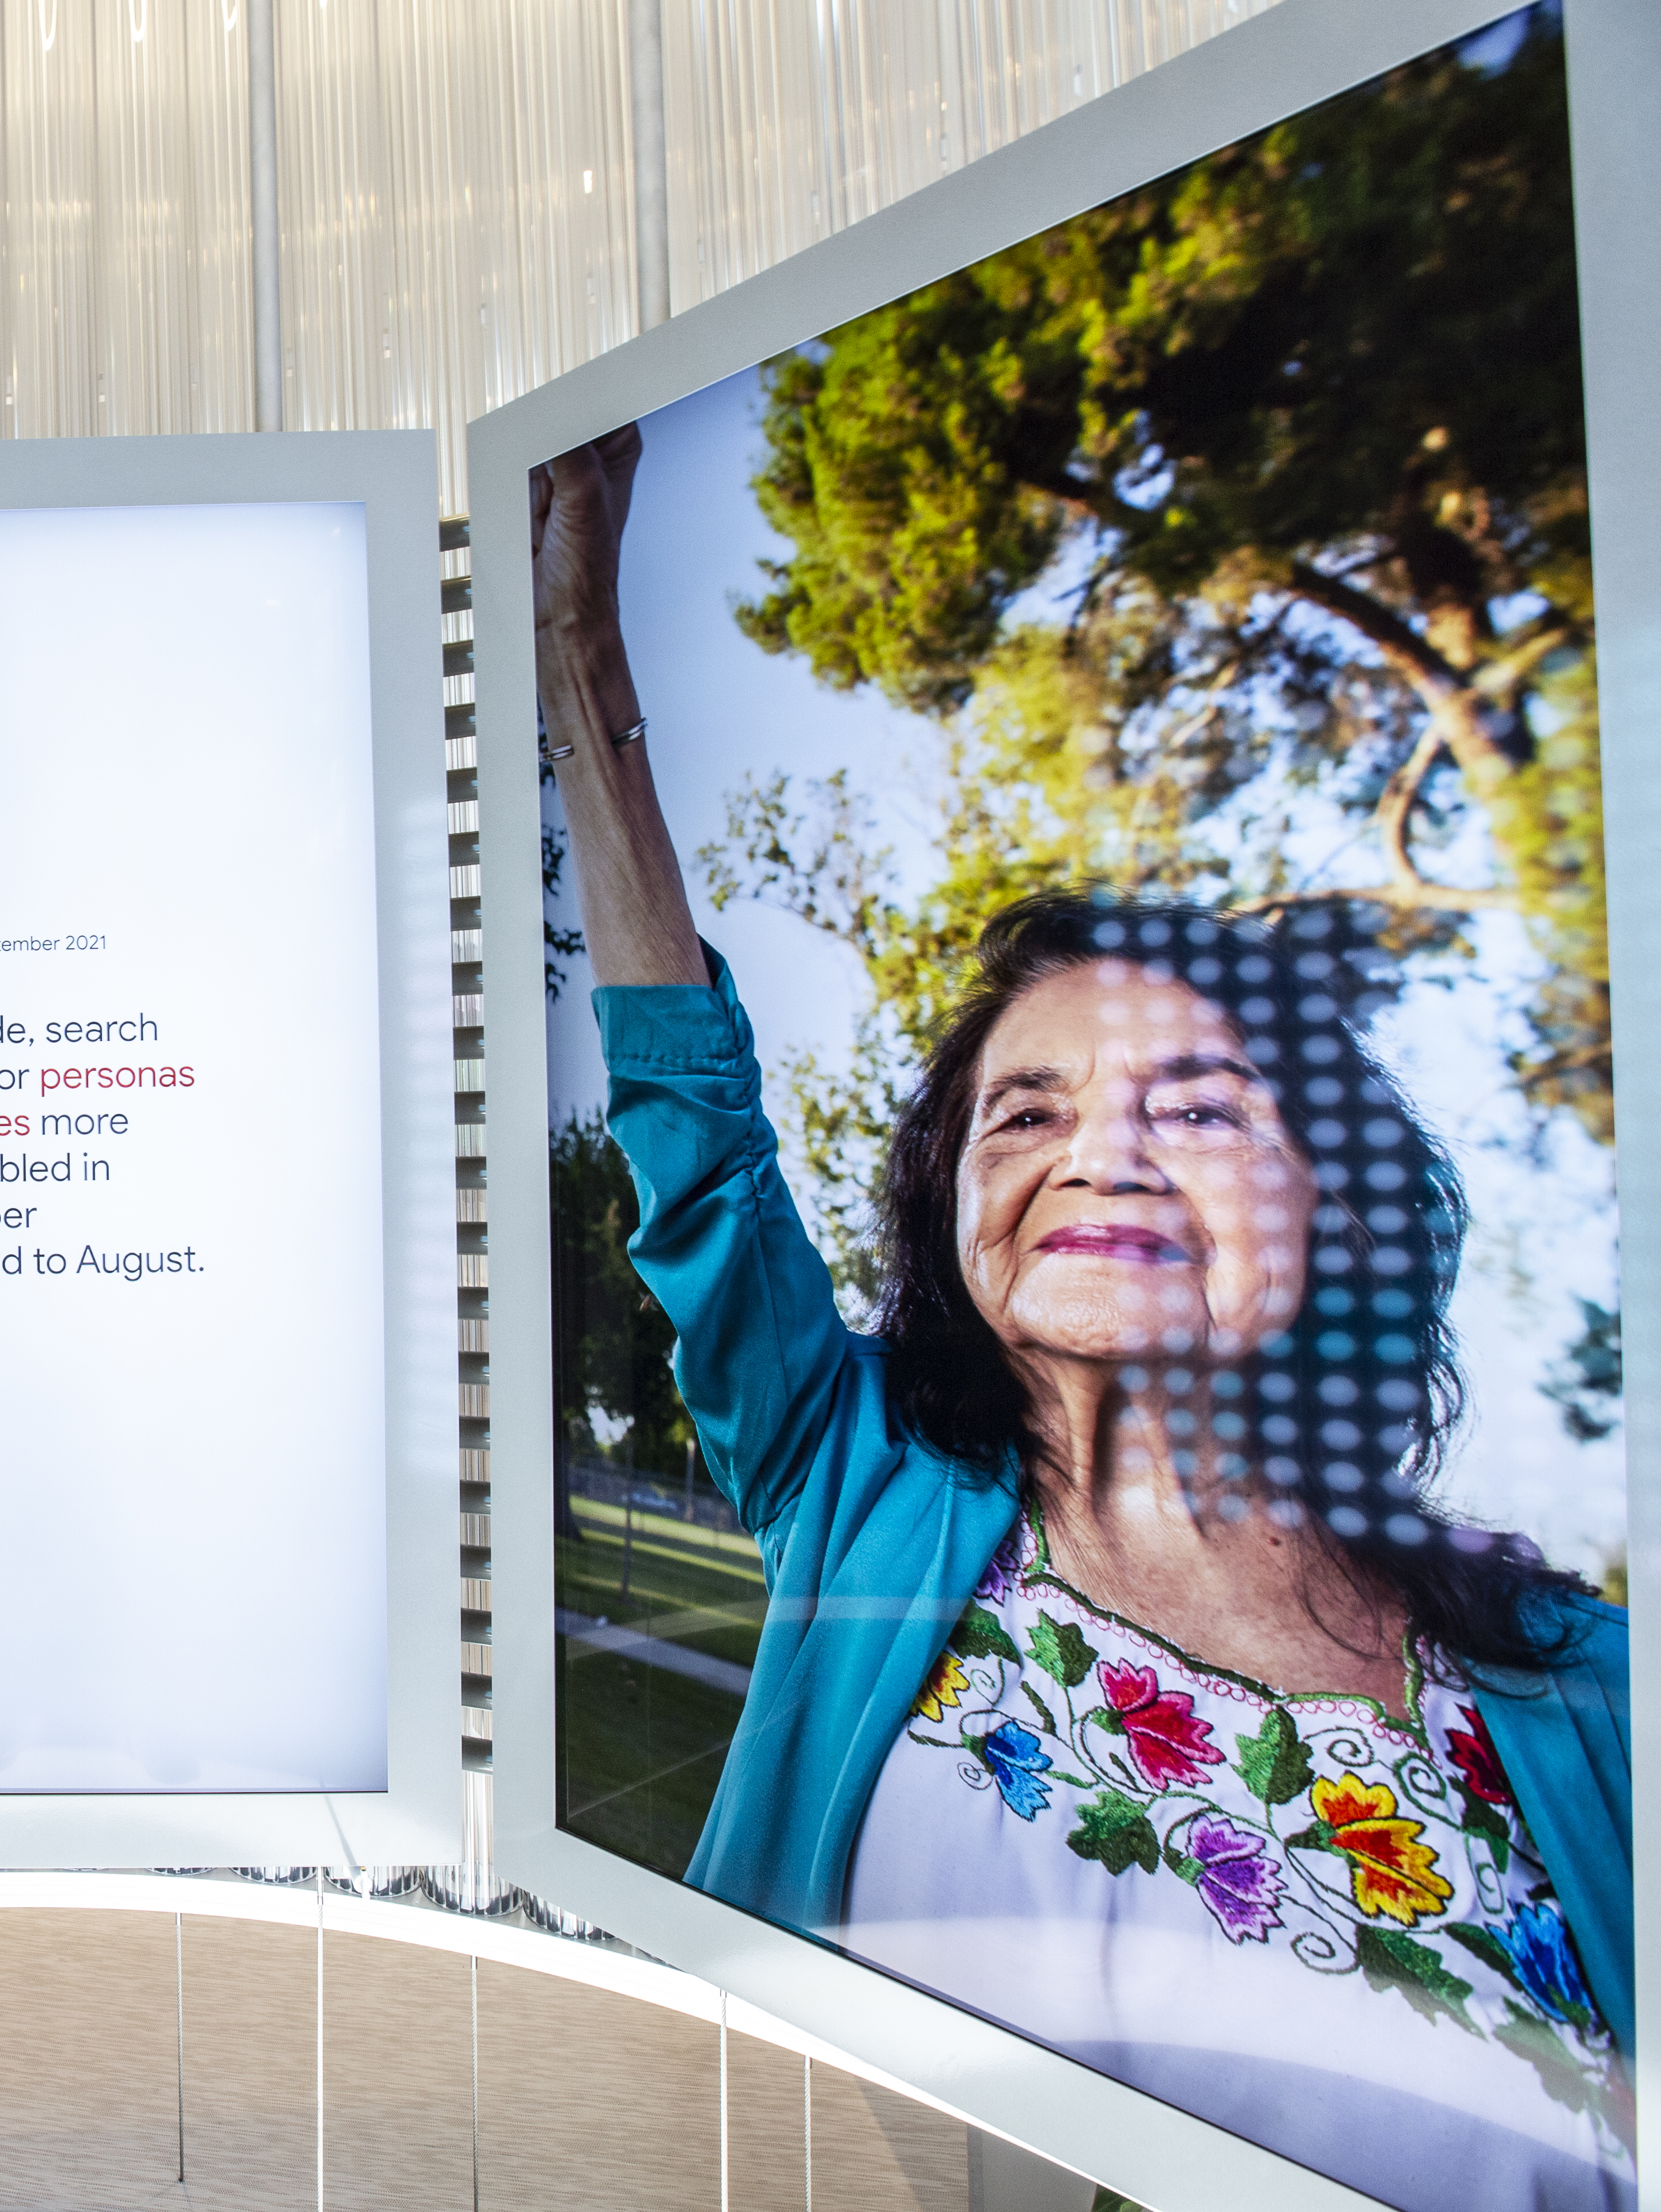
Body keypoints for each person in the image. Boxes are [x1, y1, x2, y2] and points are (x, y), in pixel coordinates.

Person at [532, 427, 1632, 2210]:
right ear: (959, 1205)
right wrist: (579, 650)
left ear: (1331, 1200)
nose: (1100, 1153)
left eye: (1197, 1107)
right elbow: (703, 1146)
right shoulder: (860, 1480)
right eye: (1027, 1112)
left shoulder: (1583, 1694)